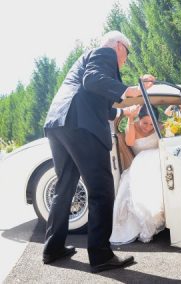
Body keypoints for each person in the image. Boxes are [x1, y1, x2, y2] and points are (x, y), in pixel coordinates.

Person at [42, 30, 155, 273]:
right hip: (80, 126)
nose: (124, 61)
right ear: (118, 47)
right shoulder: (103, 53)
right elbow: (92, 80)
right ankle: (101, 255)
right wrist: (128, 90)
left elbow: (99, 102)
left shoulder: (87, 65)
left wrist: (125, 113)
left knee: (64, 187)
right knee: (102, 190)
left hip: (58, 124)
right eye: (126, 54)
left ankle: (53, 248)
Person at [110, 105, 165, 244]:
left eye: (152, 123)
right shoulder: (132, 125)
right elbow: (129, 142)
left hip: (159, 159)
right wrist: (129, 118)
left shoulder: (161, 126)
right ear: (139, 119)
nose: (148, 127)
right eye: (145, 123)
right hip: (141, 161)